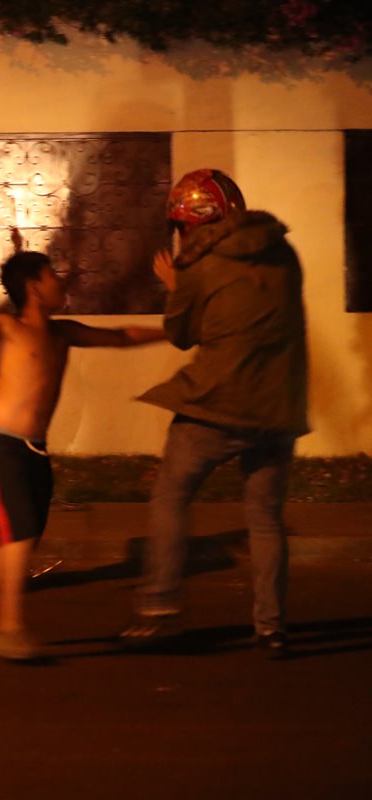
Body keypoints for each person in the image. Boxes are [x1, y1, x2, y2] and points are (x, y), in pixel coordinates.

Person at [0, 237, 166, 659]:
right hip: (0, 446)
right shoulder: (7, 328)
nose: (61, 282)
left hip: (35, 452)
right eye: (52, 276)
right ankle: (8, 628)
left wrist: (172, 330)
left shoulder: (62, 333)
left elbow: (119, 337)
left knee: (2, 539)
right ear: (34, 287)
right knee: (18, 532)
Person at [121, 169, 309, 659]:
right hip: (278, 407)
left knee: (170, 493)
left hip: (218, 405)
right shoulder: (284, 254)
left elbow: (184, 332)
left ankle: (160, 608)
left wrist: (174, 282)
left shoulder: (199, 266)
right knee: (265, 518)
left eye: (180, 226)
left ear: (192, 223)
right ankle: (271, 628)